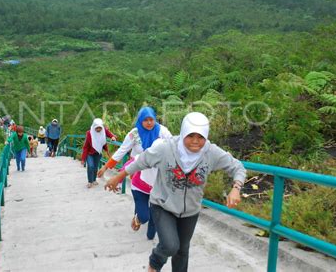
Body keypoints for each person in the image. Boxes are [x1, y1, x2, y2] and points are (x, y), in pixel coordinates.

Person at [105, 112, 246, 272]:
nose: (195, 141)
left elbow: (237, 167)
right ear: (183, 132)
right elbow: (142, 161)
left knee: (182, 250)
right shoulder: (166, 148)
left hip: (190, 211)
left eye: (200, 137)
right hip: (163, 206)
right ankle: (153, 265)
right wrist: (119, 176)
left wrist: (236, 188)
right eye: (190, 135)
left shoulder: (211, 152)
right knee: (170, 245)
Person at [98, 107, 171, 240]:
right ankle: (140, 217)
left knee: (154, 217)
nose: (149, 123)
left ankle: (148, 224)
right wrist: (105, 167)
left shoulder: (162, 131)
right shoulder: (134, 134)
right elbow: (121, 151)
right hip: (138, 172)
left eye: (151, 120)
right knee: (144, 214)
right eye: (145, 120)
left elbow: (173, 146)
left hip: (158, 175)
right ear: (140, 120)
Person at [81, 118, 116, 188]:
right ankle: (90, 181)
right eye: (97, 128)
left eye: (100, 128)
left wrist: (112, 137)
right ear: (94, 127)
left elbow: (109, 134)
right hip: (89, 153)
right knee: (90, 166)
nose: (98, 130)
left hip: (98, 153)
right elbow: (86, 147)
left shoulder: (103, 130)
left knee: (95, 167)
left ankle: (94, 180)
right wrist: (83, 159)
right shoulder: (89, 133)